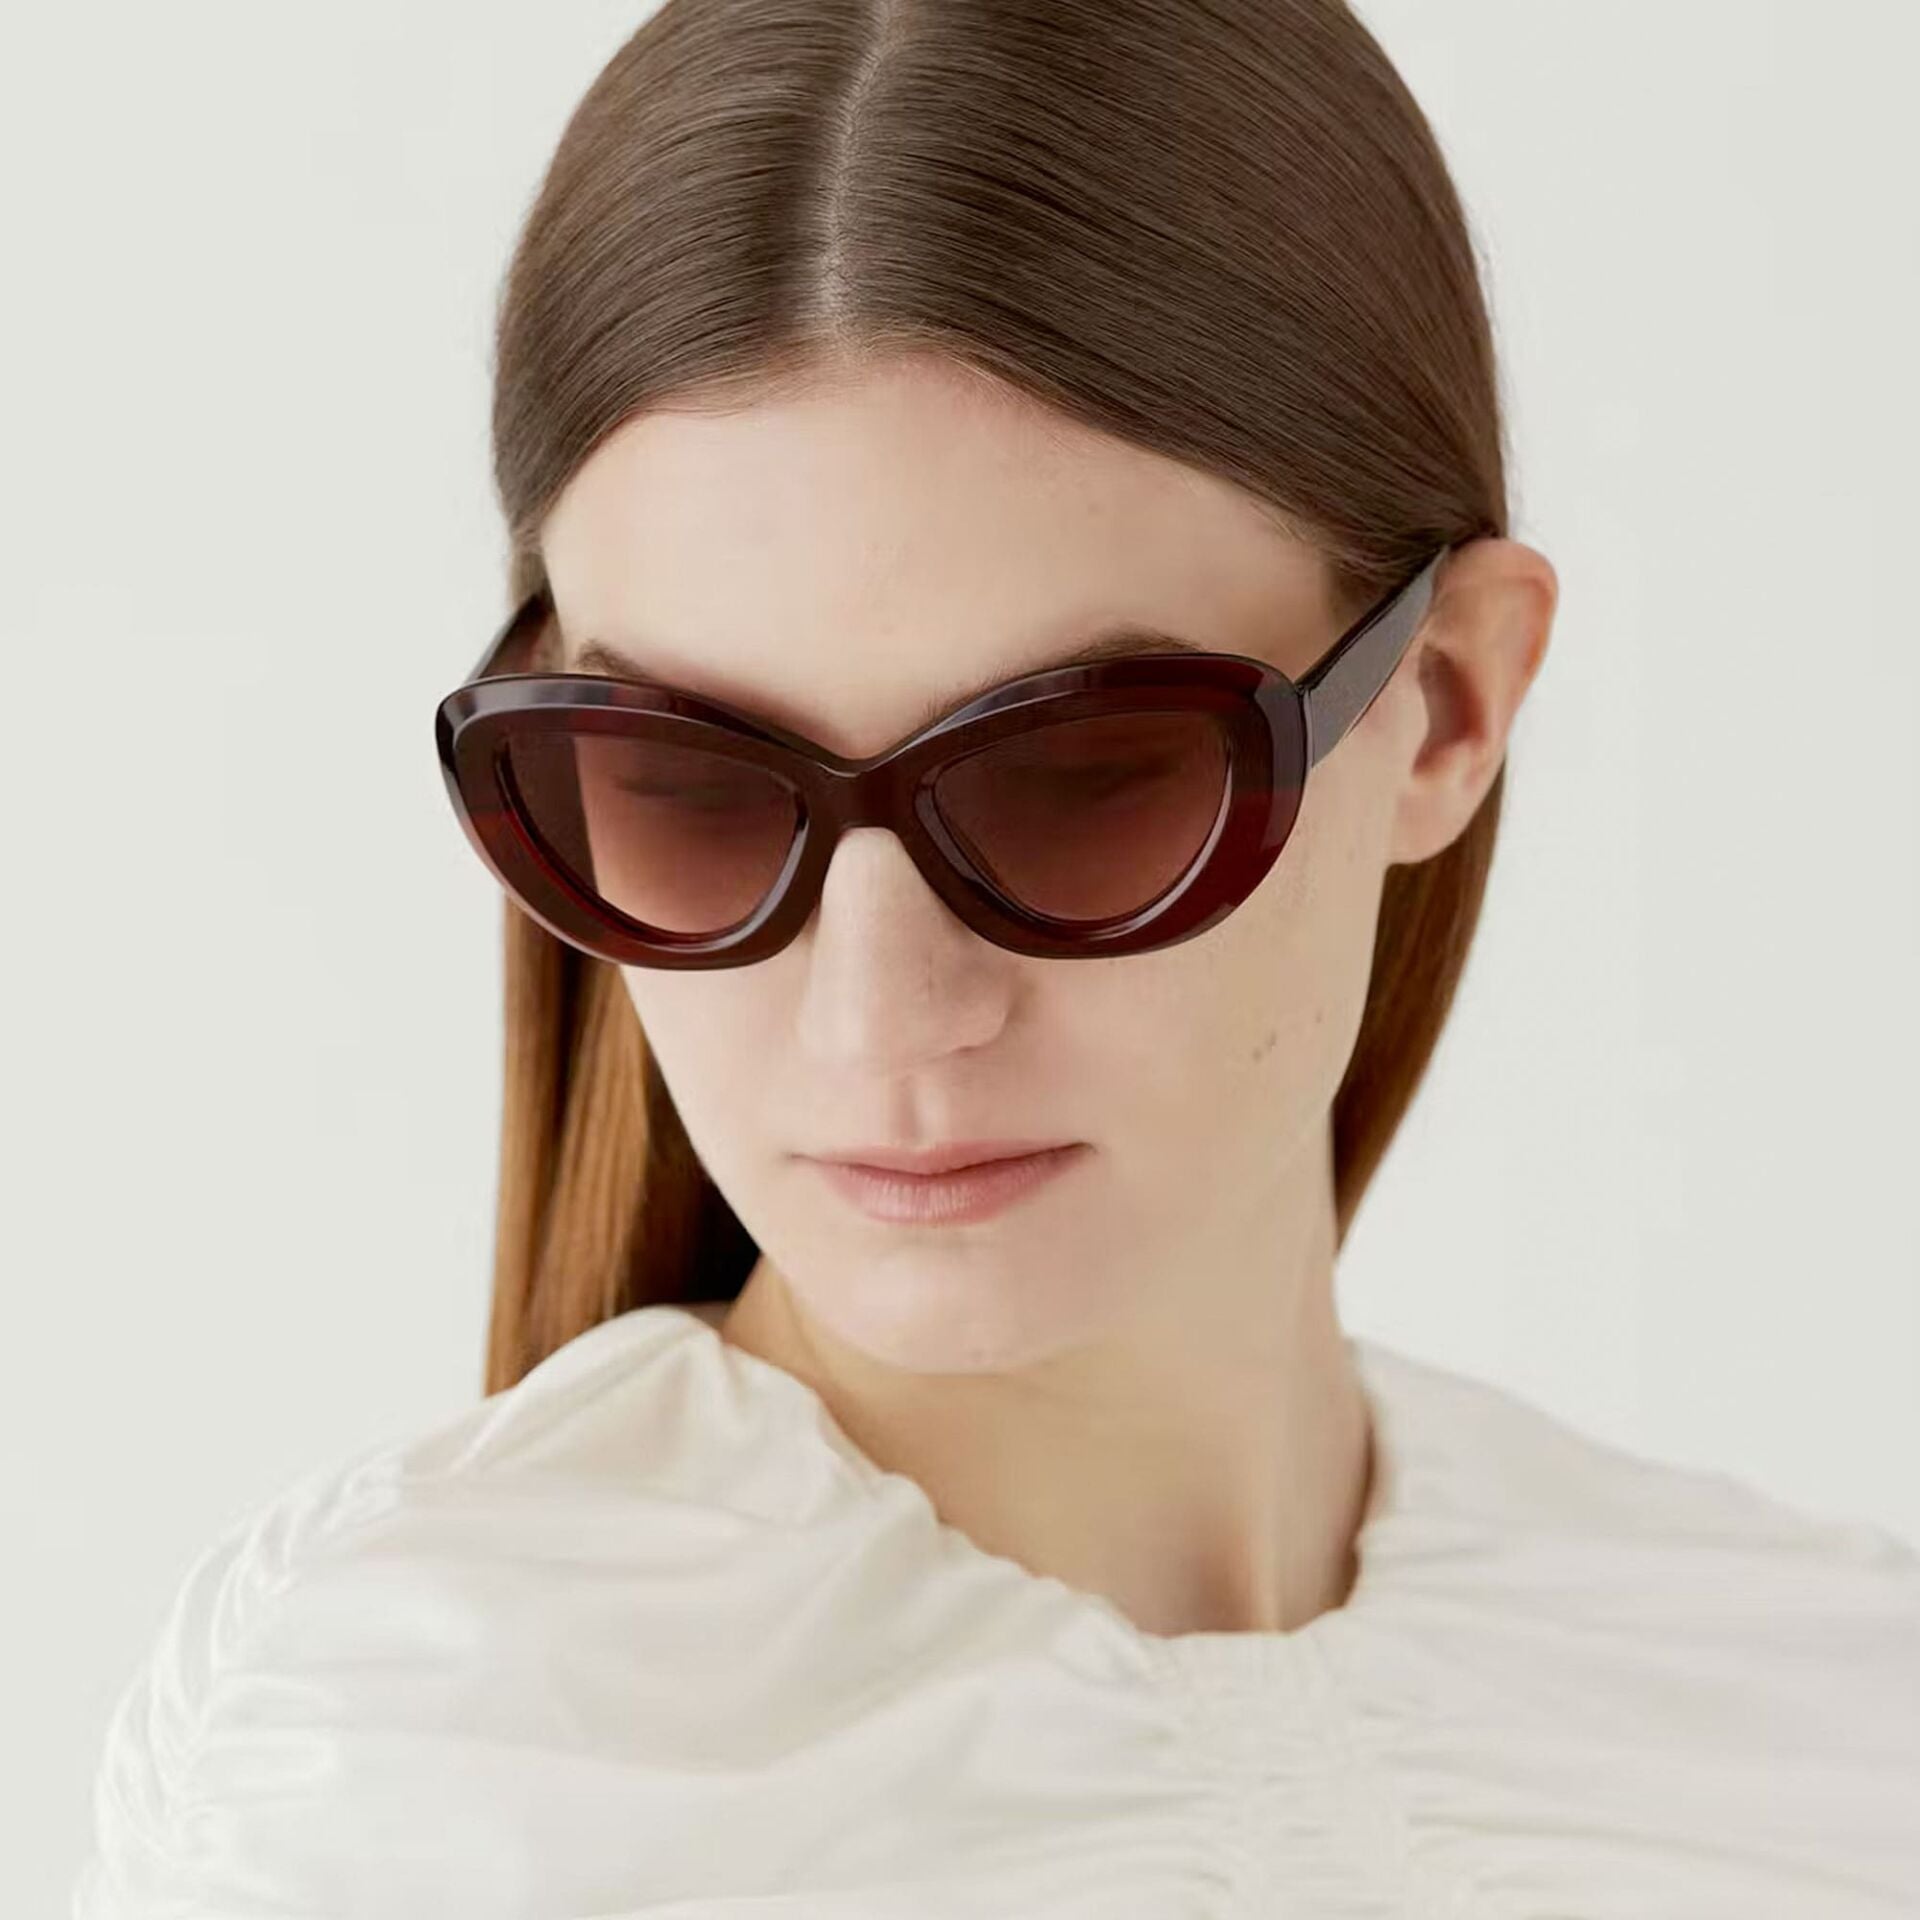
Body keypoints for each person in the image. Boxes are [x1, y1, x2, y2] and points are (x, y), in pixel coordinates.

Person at [75, 0, 1920, 1913]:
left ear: (1445, 702)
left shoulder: (1828, 1715)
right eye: (688, 785)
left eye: (1080, 778)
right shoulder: (424, 1768)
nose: (882, 1016)